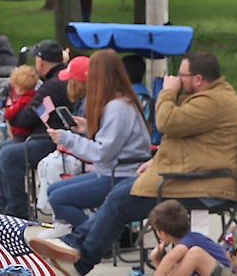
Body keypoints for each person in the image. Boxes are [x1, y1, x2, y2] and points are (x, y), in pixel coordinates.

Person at [32, 52, 237, 276]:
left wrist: (167, 92)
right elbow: (195, 142)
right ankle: (72, 246)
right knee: (118, 195)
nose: (176, 79)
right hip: (188, 176)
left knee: (119, 199)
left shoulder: (211, 101)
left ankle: (80, 259)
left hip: (203, 185)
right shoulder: (214, 98)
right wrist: (156, 161)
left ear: (198, 78)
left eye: (181, 75)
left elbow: (165, 123)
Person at [41, 50, 153, 253]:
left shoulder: (118, 107)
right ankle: (103, 235)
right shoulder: (120, 103)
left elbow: (102, 153)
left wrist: (68, 138)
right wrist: (84, 129)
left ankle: (99, 239)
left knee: (59, 198)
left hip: (119, 175)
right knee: (53, 191)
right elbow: (109, 143)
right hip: (113, 171)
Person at [0, 40, 66, 220]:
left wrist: (12, 115)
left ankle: (18, 207)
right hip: (46, 135)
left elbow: (27, 117)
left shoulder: (51, 85)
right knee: (0, 149)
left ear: (41, 62)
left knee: (8, 154)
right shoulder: (54, 81)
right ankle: (5, 202)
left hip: (52, 140)